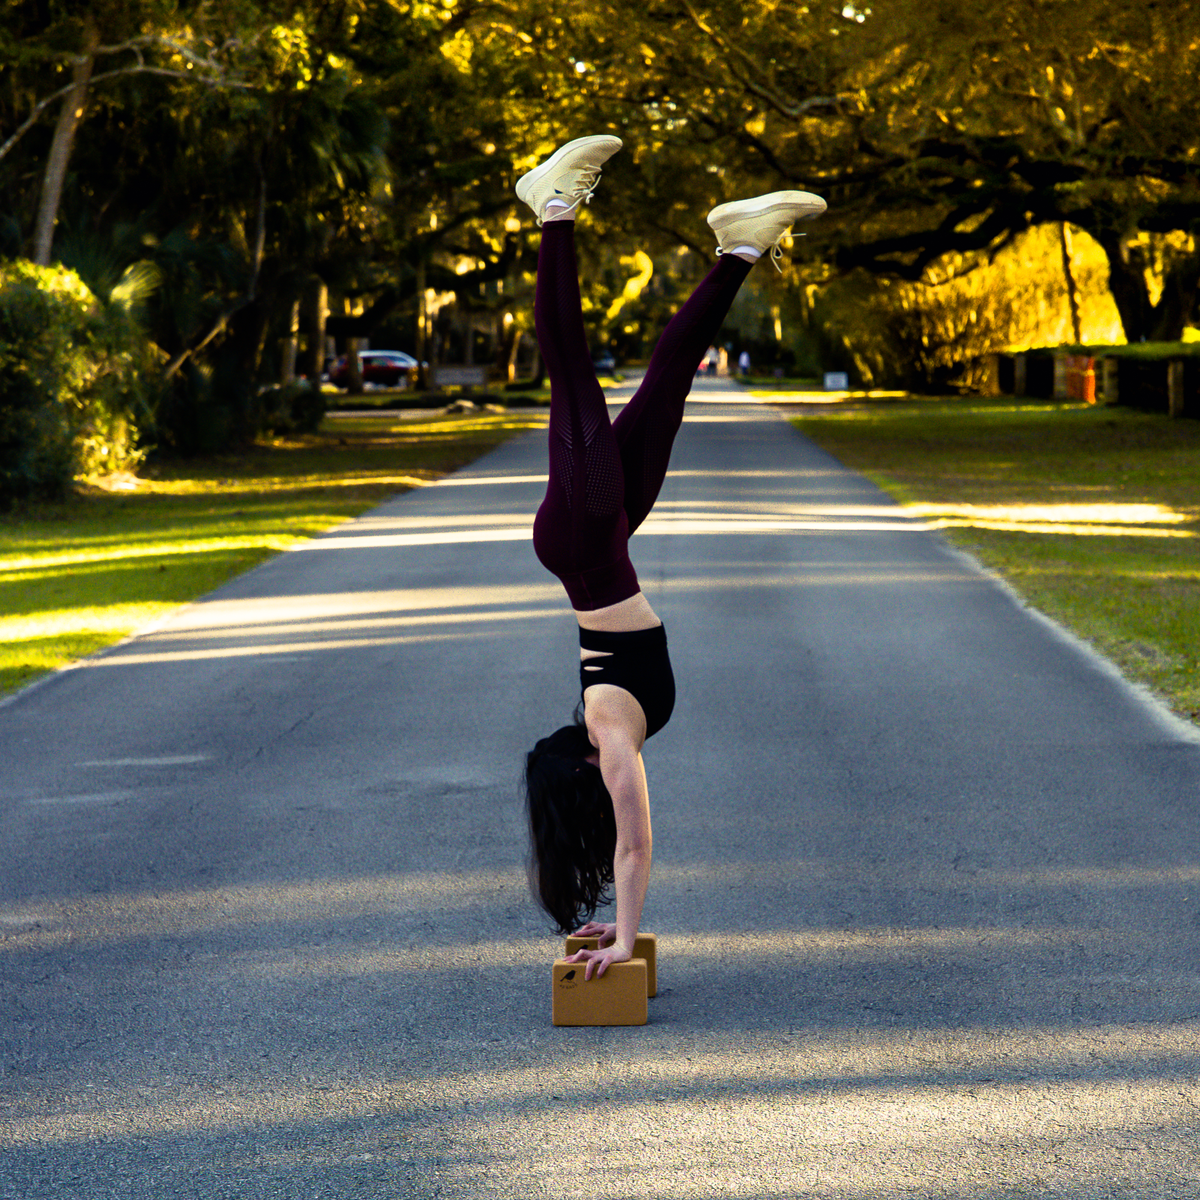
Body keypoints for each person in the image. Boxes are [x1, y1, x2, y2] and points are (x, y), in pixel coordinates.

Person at [518, 135, 825, 979]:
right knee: (671, 382)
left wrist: (623, 937)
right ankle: (740, 241)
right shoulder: (606, 730)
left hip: (586, 535)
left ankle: (552, 206)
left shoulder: (611, 733)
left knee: (572, 372)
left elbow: (636, 845)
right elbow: (621, 848)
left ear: (585, 775)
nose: (616, 797)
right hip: (601, 538)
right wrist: (611, 929)